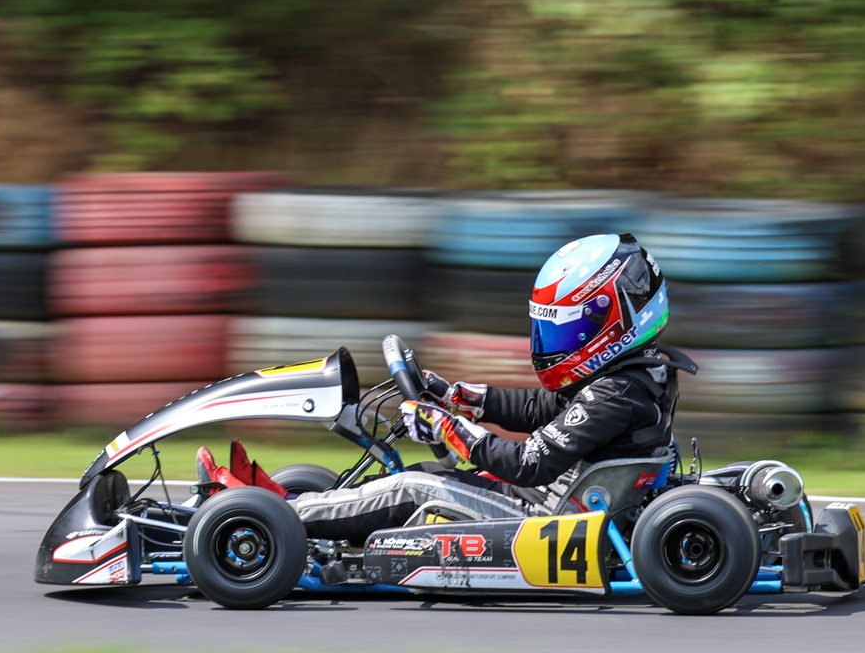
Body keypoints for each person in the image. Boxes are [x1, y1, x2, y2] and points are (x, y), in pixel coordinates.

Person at [266, 232, 695, 542]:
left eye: (571, 328)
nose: (556, 345)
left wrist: (446, 426)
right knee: (421, 475)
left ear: (615, 319)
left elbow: (529, 463)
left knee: (408, 489)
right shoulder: (632, 376)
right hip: (559, 499)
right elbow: (542, 410)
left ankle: (270, 517)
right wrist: (458, 397)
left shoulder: (614, 393)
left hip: (548, 517)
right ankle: (299, 509)